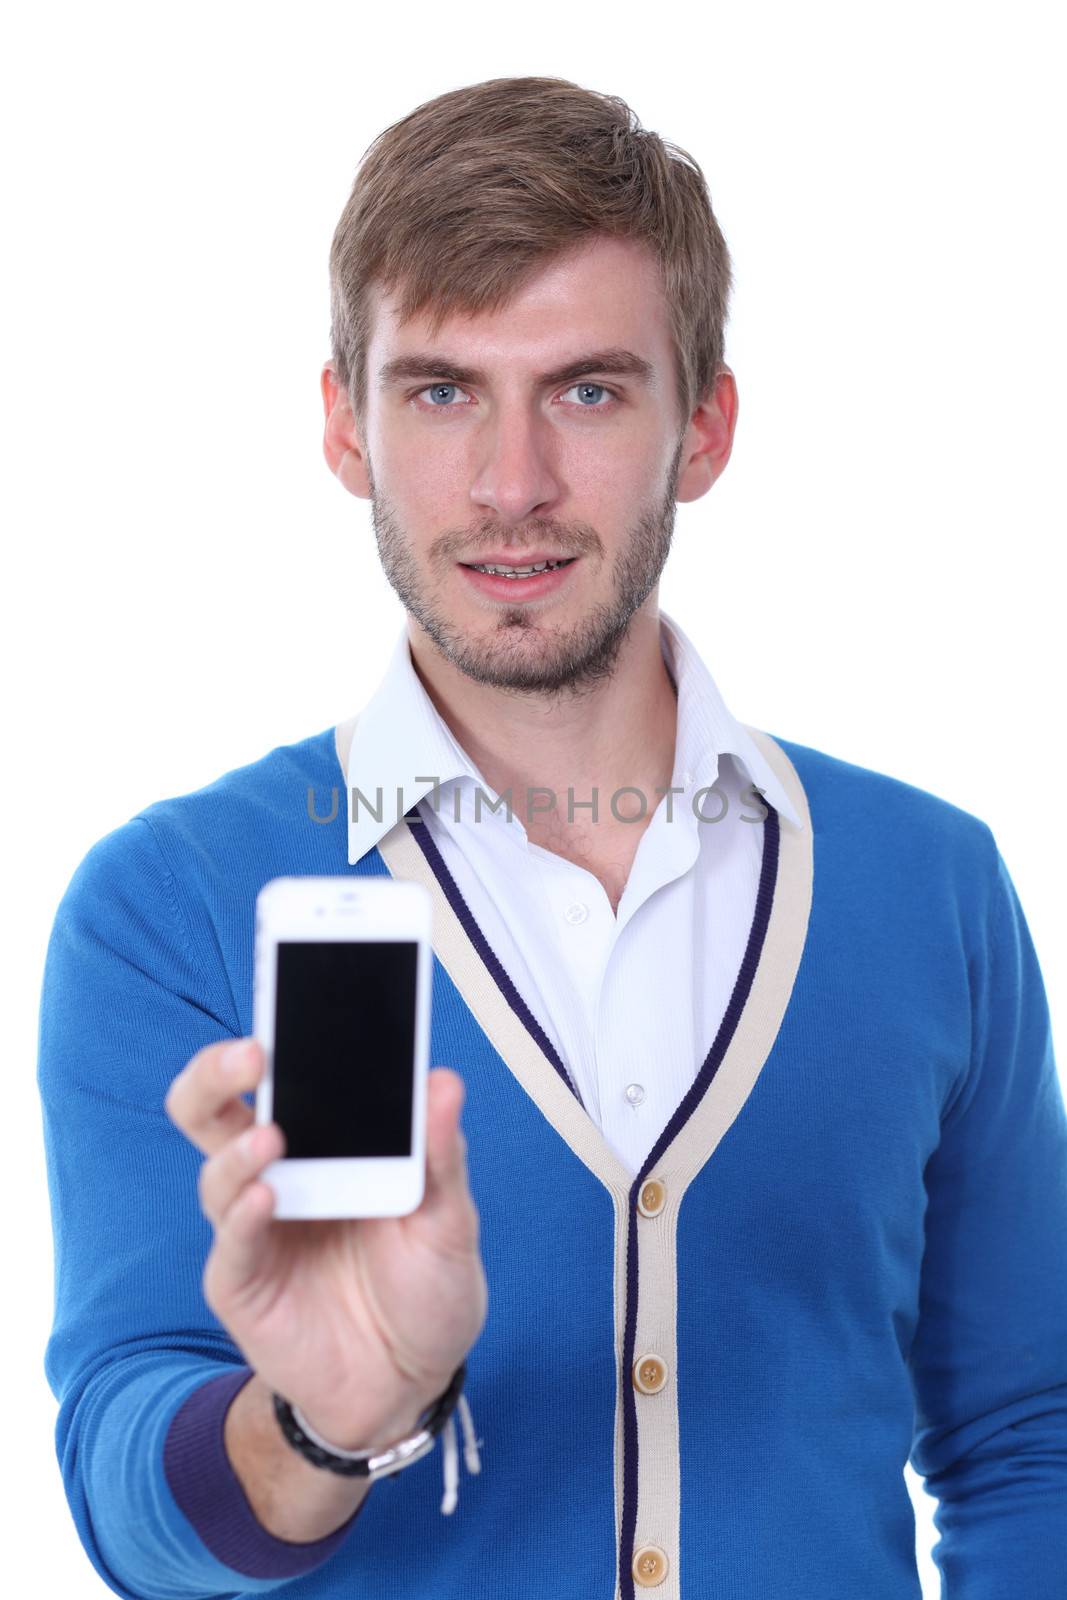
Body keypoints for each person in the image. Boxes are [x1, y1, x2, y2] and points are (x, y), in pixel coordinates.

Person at [37, 73, 1067, 1600]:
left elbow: (1029, 1437)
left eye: (587, 389)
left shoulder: (930, 886)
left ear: (703, 426)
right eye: (443, 391)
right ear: (344, 427)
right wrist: (319, 1426)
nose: (511, 487)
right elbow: (128, 1496)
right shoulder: (174, 905)